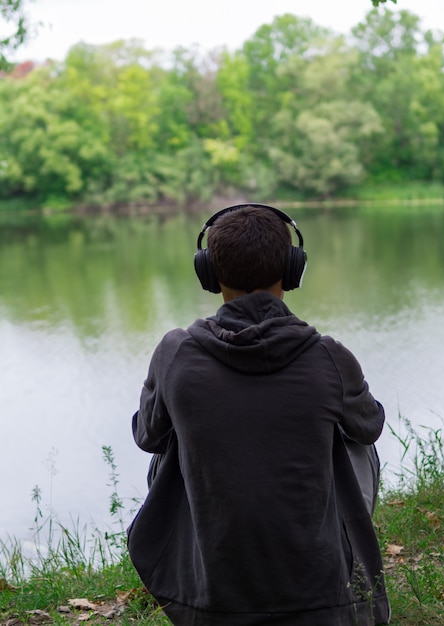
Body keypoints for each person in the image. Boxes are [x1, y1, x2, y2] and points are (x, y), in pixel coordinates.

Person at [127, 203, 391, 626]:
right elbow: (370, 426)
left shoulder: (175, 353)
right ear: (292, 269)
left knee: (170, 435)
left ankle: (194, 577)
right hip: (319, 595)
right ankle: (345, 574)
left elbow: (146, 437)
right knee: (354, 435)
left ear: (208, 272)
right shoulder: (330, 357)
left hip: (212, 598)